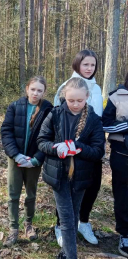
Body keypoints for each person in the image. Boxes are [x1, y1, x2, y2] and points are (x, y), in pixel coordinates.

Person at [37, 77, 105, 259]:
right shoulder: (55, 114)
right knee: (66, 219)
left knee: (74, 215)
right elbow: (41, 141)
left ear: (87, 97)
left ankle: (65, 253)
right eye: (71, 100)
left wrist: (79, 149)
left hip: (81, 177)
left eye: (80, 101)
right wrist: (55, 148)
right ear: (64, 97)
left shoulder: (94, 120)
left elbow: (99, 151)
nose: (75, 104)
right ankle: (71, 256)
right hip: (58, 175)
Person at [54, 49, 103, 246]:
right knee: (65, 187)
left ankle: (83, 222)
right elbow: (58, 117)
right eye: (86, 64)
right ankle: (61, 225)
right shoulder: (66, 86)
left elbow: (97, 117)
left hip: (90, 146)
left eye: (92, 65)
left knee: (92, 185)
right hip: (68, 146)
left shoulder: (97, 88)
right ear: (77, 65)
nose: (89, 68)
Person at [1, 76, 53, 247]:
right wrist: (15, 155)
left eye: (39, 90)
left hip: (33, 160)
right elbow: (6, 131)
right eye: (33, 89)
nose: (35, 93)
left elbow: (49, 136)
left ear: (44, 92)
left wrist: (37, 159)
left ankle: (28, 224)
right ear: (27, 89)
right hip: (15, 158)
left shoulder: (48, 109)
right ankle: (13, 228)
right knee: (13, 194)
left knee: (31, 194)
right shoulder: (15, 106)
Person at [102, 72, 128, 257]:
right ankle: (125, 235)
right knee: (123, 195)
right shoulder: (116, 96)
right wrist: (125, 125)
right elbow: (105, 124)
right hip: (122, 155)